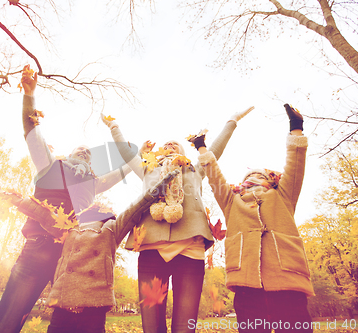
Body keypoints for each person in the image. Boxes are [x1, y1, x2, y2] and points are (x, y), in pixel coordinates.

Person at [0, 66, 133, 333]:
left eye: (89, 153)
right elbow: (32, 131)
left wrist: (140, 158)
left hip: (75, 256)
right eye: (80, 149)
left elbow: (123, 171)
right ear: (68, 154)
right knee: (10, 316)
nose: (85, 151)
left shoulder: (93, 183)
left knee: (67, 323)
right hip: (39, 246)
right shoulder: (48, 166)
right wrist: (29, 96)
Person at [101, 107, 254, 333]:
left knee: (184, 325)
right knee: (152, 326)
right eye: (167, 144)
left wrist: (232, 120)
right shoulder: (147, 168)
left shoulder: (195, 169)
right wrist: (114, 127)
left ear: (185, 150)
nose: (171, 144)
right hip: (152, 249)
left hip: (190, 249)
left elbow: (215, 151)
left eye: (175, 143)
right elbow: (126, 152)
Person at [0, 170, 179, 333]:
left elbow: (135, 208)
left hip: (94, 303)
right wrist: (13, 198)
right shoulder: (68, 228)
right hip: (63, 301)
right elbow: (41, 213)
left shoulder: (112, 229)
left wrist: (159, 186)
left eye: (100, 208)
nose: (95, 208)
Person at [192, 104, 315, 333]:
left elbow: (296, 164)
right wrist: (201, 147)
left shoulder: (283, 195)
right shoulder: (232, 201)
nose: (254, 177)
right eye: (249, 176)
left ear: (271, 179)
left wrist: (296, 129)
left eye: (259, 175)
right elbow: (214, 174)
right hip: (247, 286)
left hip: (287, 282)